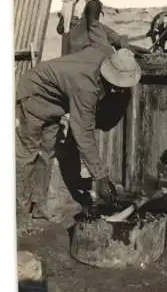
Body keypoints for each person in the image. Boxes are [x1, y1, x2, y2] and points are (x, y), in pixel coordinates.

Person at [16, 46, 142, 221]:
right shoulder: (85, 86)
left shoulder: (107, 53)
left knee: (47, 153)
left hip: (55, 102)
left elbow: (105, 41)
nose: (117, 90)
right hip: (33, 94)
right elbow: (83, 133)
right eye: (116, 85)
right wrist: (100, 177)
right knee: (27, 155)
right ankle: (18, 214)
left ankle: (39, 206)